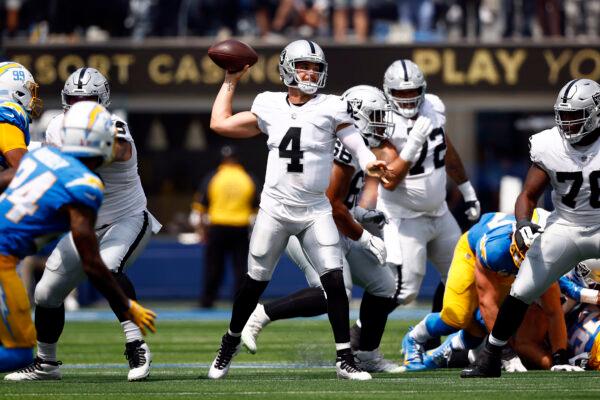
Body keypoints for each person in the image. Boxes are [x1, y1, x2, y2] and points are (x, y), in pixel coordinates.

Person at [207, 39, 388, 380]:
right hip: (274, 209)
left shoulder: (332, 106)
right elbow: (220, 123)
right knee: (253, 283)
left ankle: (344, 360)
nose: (310, 72)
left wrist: (368, 161)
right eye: (304, 65)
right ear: (288, 67)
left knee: (334, 281)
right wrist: (231, 80)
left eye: (316, 67)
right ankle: (228, 343)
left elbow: (351, 136)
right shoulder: (268, 103)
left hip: (314, 208)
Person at [241, 85, 401, 373]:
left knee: (385, 286)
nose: (380, 123)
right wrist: (365, 237)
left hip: (340, 226)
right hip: (311, 223)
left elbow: (342, 202)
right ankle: (261, 314)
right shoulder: (342, 145)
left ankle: (367, 355)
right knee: (335, 292)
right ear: (356, 114)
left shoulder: (358, 147)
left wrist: (362, 214)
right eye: (375, 116)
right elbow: (331, 201)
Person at [19, 67, 161, 382]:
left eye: (88, 99)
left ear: (103, 99)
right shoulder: (56, 126)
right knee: (45, 294)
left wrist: (81, 148)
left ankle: (136, 344)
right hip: (83, 224)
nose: (80, 105)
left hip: (126, 218)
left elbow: (120, 151)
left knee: (109, 267)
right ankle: (46, 363)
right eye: (74, 99)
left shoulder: (115, 125)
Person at [461, 78, 600, 378]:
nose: (568, 125)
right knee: (522, 289)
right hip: (565, 225)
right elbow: (527, 195)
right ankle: (491, 356)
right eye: (564, 117)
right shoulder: (549, 144)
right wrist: (523, 223)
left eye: (576, 118)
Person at [357, 60, 479, 354]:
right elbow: (388, 181)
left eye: (413, 92)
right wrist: (412, 145)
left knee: (461, 279)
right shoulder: (381, 119)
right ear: (388, 93)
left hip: (439, 213)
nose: (408, 99)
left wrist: (467, 190)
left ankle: (436, 339)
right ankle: (359, 339)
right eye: (400, 93)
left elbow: (446, 149)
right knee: (404, 290)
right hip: (403, 217)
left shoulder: (434, 106)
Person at [190, 145, 258, 308]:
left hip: (218, 227)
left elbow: (199, 208)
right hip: (240, 228)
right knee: (241, 268)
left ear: (222, 159)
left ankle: (207, 301)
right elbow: (258, 208)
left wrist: (201, 231)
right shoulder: (248, 178)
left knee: (213, 267)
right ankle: (240, 302)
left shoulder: (213, 177)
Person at [0, 61, 41, 170]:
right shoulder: (8, 112)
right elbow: (24, 169)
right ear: (19, 93)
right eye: (31, 91)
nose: (34, 97)